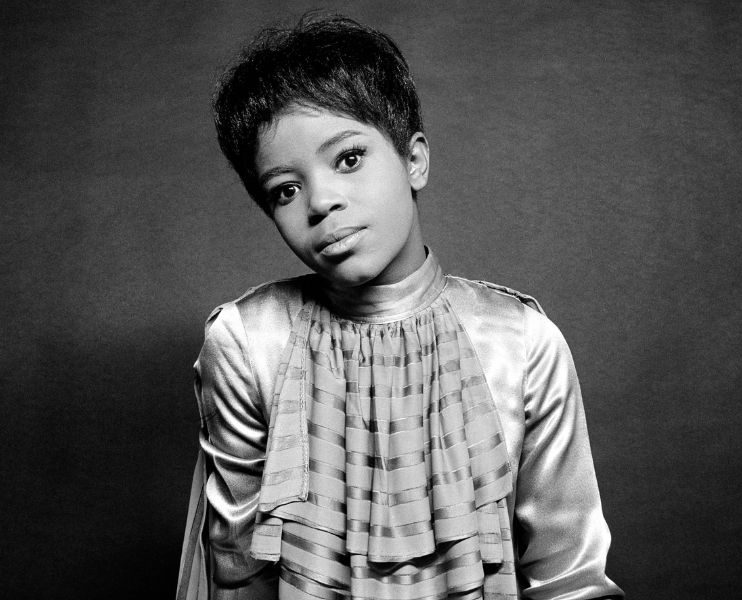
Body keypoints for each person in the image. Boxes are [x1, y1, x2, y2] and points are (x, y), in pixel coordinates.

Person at [177, 14, 623, 600]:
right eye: (285, 189)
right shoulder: (247, 342)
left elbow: (570, 581)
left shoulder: (520, 342)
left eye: (349, 158)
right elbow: (236, 572)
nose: (322, 202)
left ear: (415, 160)